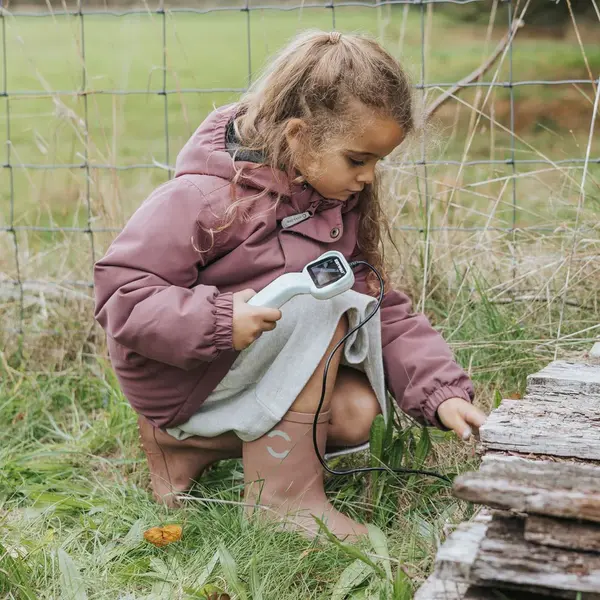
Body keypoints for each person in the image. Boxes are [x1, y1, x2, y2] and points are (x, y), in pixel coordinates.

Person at [93, 30, 487, 542]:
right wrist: (218, 320)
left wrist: (440, 392)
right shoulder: (202, 197)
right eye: (358, 159)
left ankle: (184, 448)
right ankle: (282, 501)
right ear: (299, 136)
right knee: (323, 304)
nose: (369, 177)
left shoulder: (329, 204)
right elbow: (122, 293)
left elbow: (377, 304)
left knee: (356, 414)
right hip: (183, 374)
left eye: (377, 162)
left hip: (234, 367)